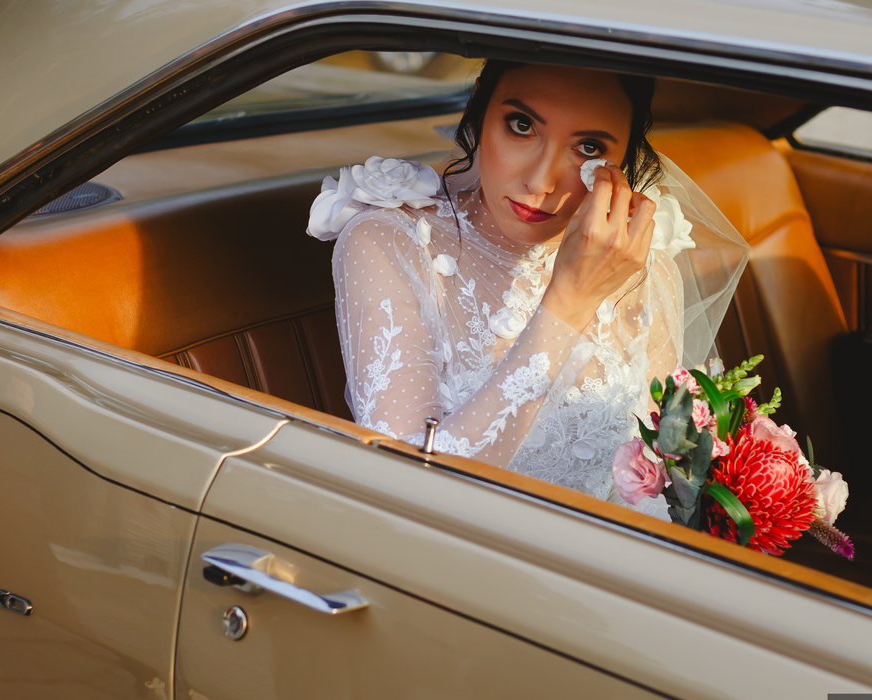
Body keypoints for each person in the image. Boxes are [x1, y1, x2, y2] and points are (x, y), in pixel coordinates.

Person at [308, 61, 749, 517]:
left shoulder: (644, 265)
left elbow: (664, 479)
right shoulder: (390, 241)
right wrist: (570, 302)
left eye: (588, 147)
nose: (540, 182)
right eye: (521, 125)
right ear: (480, 104)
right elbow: (404, 486)